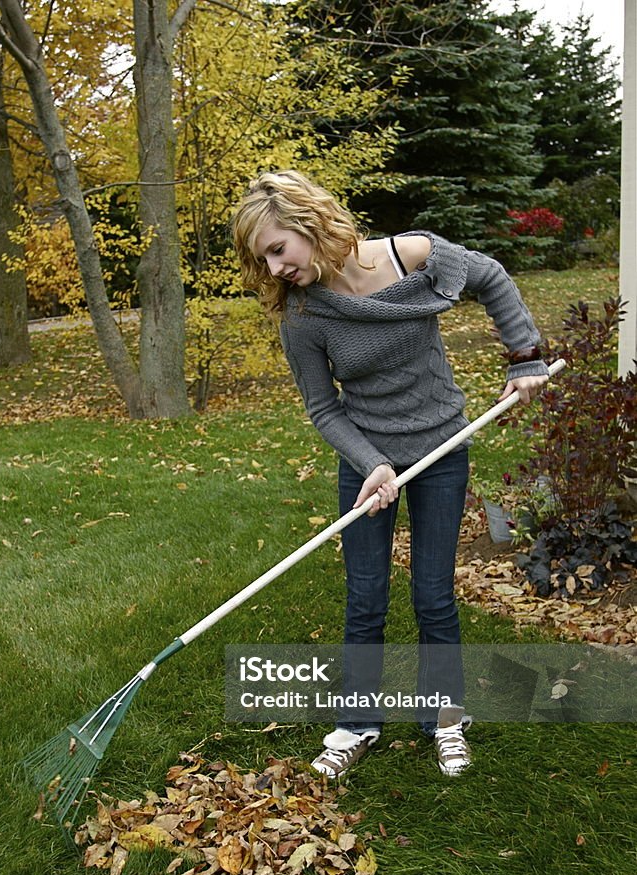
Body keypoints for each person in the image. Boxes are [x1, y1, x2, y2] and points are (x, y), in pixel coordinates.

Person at [231, 169, 549, 778]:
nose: (273, 269)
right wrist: (372, 463)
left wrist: (524, 356)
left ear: (308, 222)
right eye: (262, 259)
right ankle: (356, 722)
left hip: (441, 452)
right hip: (366, 463)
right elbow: (324, 408)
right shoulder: (302, 316)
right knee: (365, 598)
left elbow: (492, 278)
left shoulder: (414, 256)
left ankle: (446, 718)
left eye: (277, 249)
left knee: (433, 595)